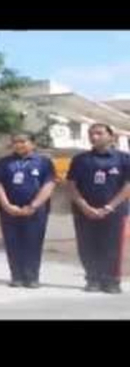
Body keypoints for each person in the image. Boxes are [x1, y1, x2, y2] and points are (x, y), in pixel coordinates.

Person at [67, 123, 130, 294]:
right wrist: (84, 206)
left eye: (99, 133)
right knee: (87, 245)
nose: (94, 137)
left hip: (114, 211)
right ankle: (93, 279)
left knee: (112, 246)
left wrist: (109, 207)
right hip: (84, 211)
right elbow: (72, 185)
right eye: (91, 134)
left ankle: (111, 281)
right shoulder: (80, 159)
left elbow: (127, 186)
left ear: (111, 136)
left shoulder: (124, 159)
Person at [0, 133, 57, 288]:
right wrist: (7, 205)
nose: (19, 145)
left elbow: (49, 184)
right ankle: (16, 276)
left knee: (33, 242)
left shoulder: (43, 162)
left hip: (35, 210)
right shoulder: (4, 162)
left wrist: (34, 205)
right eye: (15, 142)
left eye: (23, 141)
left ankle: (31, 276)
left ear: (33, 143)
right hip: (9, 209)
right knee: (12, 243)